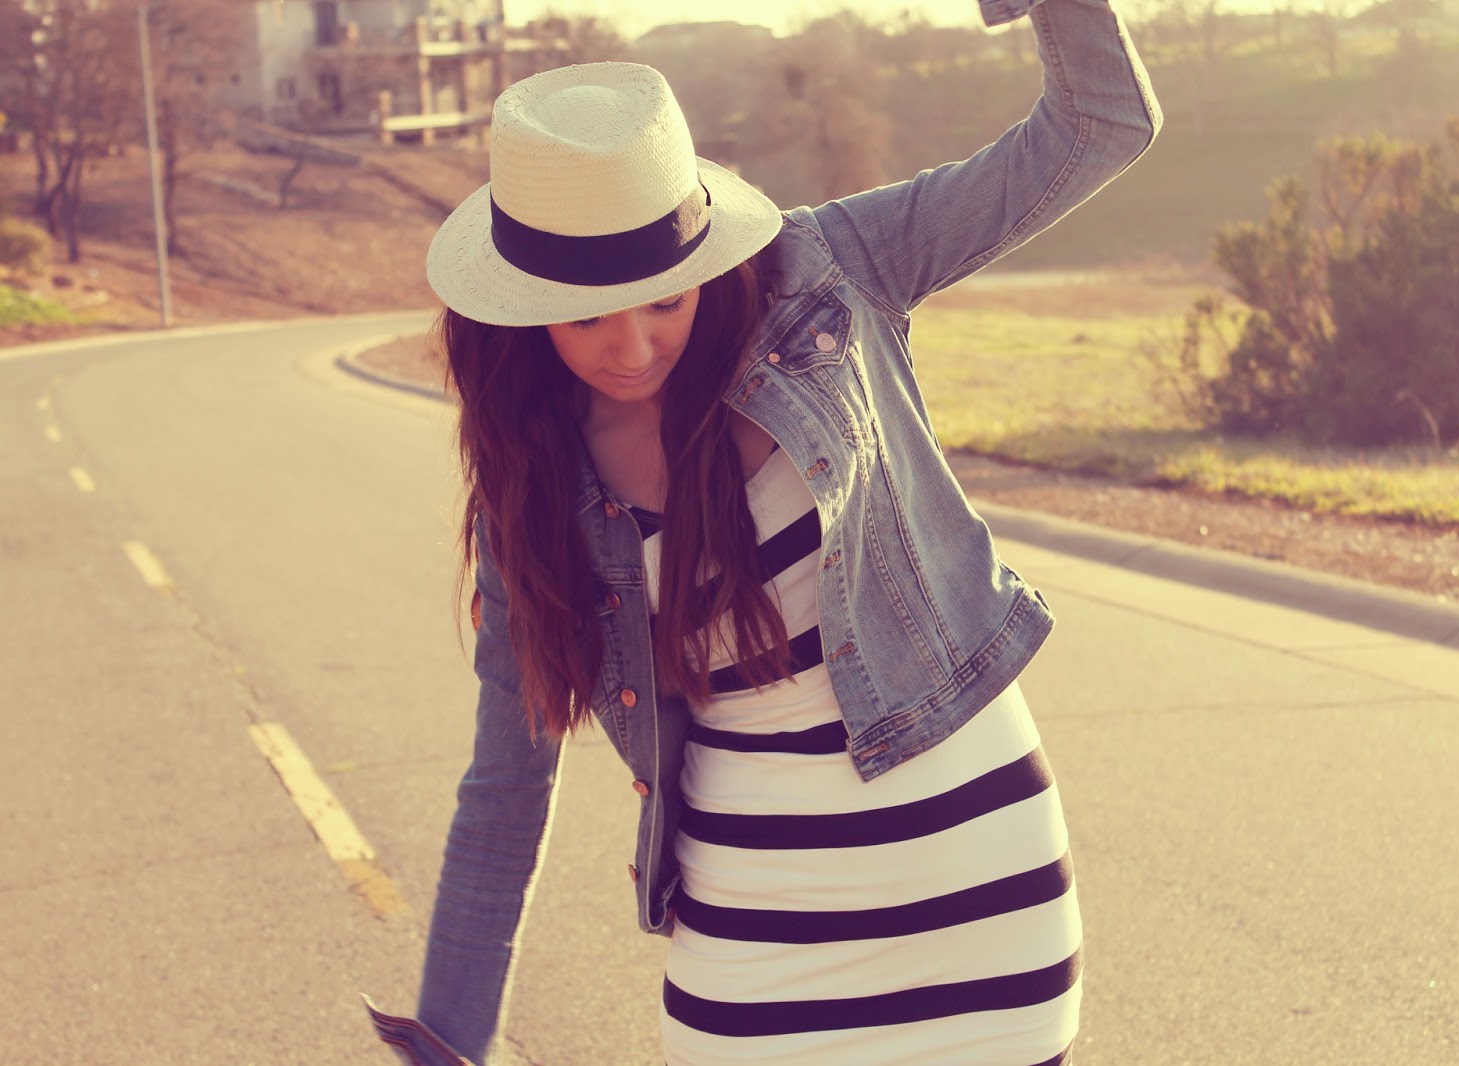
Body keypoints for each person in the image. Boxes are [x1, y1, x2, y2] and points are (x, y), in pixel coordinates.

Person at [366, 0, 1158, 1061]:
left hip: (973, 888)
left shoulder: (829, 271)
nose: (633, 348)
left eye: (663, 299)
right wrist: (448, 1036)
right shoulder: (535, 488)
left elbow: (1102, 125)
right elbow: (505, 784)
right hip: (751, 927)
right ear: (517, 304)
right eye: (585, 315)